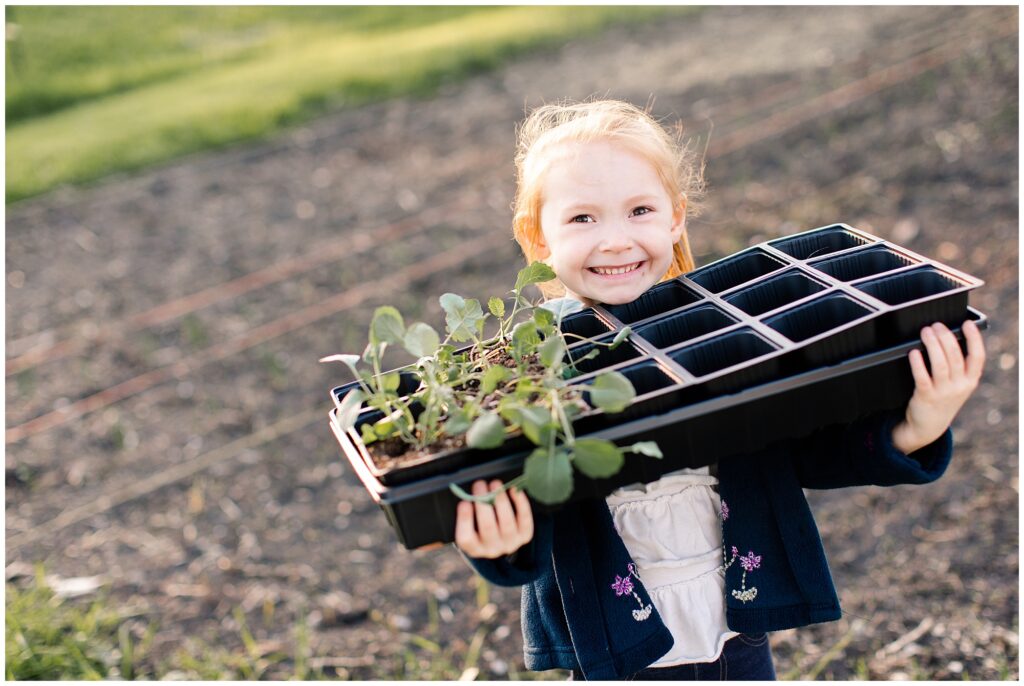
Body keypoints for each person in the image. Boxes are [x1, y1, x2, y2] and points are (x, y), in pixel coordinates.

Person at [453, 99, 986, 680]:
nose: (614, 240)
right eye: (583, 219)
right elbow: (530, 514)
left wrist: (919, 424)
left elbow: (798, 446)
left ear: (675, 218)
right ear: (537, 238)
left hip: (736, 637)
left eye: (639, 210)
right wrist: (497, 541)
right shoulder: (528, 371)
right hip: (620, 650)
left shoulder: (723, 336)